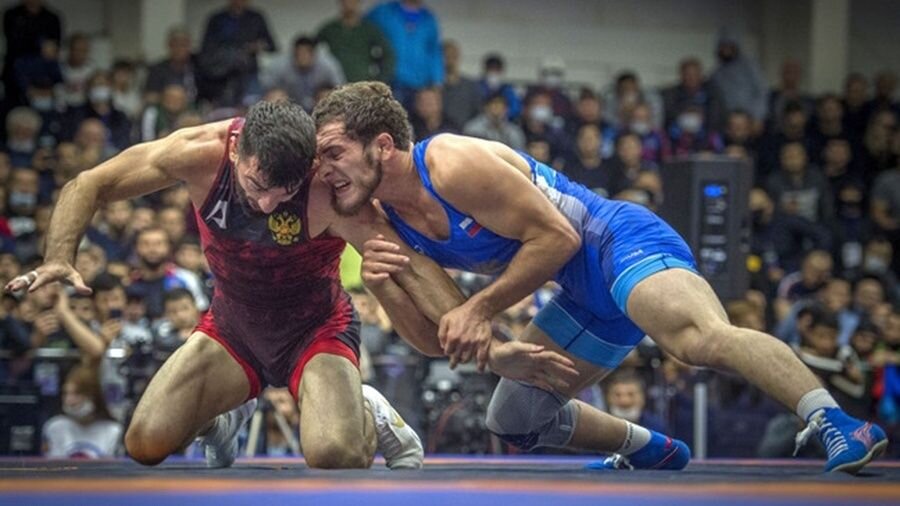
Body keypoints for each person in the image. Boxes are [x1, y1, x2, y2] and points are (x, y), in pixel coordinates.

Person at [313, 81, 889, 474]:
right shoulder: (385, 222)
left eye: (334, 153)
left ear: (382, 146)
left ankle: (835, 420)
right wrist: (390, 286)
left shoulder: (450, 163)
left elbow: (559, 238)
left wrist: (481, 311)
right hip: (576, 288)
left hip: (614, 241)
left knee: (695, 341)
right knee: (513, 416)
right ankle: (651, 449)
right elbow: (438, 336)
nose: (325, 171)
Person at [6, 99, 565, 470]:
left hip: (314, 330)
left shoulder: (328, 192)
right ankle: (226, 413)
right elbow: (90, 183)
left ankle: (368, 413)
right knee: (144, 443)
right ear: (233, 151)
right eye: (256, 187)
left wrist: (491, 348)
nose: (270, 202)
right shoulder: (197, 152)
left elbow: (413, 265)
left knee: (333, 456)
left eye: (285, 190)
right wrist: (59, 254)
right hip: (232, 328)